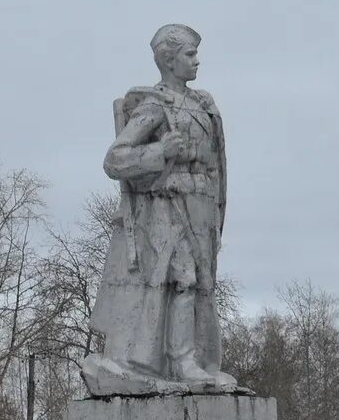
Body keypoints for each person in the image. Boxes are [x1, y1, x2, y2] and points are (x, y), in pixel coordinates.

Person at [83, 23, 236, 395]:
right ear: (169, 60)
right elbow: (115, 160)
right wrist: (160, 151)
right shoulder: (154, 105)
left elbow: (218, 163)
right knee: (181, 279)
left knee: (202, 284)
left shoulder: (204, 104)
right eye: (189, 54)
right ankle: (181, 362)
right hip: (168, 206)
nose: (197, 61)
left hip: (202, 205)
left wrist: (217, 212)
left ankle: (198, 361)